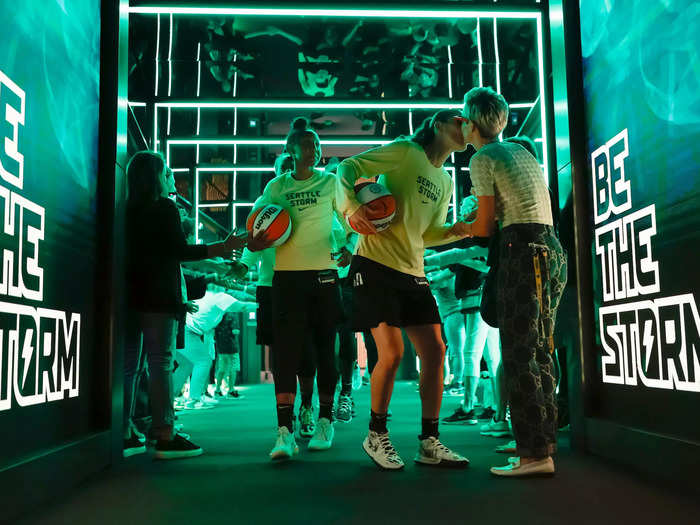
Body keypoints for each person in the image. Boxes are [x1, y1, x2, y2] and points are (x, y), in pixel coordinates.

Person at [336, 109, 473, 470]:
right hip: (375, 265)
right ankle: (376, 434)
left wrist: (457, 231)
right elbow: (347, 169)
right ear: (438, 125)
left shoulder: (444, 181)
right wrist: (352, 210)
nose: (465, 128)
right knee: (393, 353)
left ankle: (429, 442)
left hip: (413, 272)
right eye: (458, 121)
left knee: (436, 351)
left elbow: (428, 234)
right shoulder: (405, 151)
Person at [454, 87, 567, 477]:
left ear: (471, 121)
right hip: (549, 251)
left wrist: (459, 227)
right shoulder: (521, 152)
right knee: (539, 352)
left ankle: (534, 456)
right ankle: (540, 444)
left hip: (522, 252)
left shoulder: (483, 158)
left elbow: (484, 227)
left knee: (519, 354)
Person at [124, 150, 244, 459]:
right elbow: (179, 252)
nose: (171, 181)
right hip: (159, 300)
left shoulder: (127, 211)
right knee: (160, 363)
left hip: (131, 296)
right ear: (156, 178)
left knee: (131, 367)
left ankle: (126, 431)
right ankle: (166, 434)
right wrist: (224, 247)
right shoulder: (165, 208)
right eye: (167, 175)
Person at [248, 117, 350, 460]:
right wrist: (245, 258)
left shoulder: (331, 182)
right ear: (291, 151)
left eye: (318, 145)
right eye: (308, 145)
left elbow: (354, 219)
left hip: (324, 276)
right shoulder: (276, 188)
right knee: (287, 355)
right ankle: (284, 432)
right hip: (286, 279)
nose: (315, 150)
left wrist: (353, 245)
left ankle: (325, 419)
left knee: (325, 350)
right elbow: (257, 231)